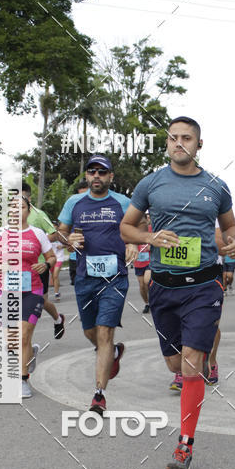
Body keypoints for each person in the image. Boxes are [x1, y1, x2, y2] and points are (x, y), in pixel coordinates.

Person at [120, 115, 235, 469]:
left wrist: (233, 241)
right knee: (176, 365)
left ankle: (184, 444)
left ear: (198, 145)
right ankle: (192, 379)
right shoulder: (150, 184)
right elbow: (126, 227)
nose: (179, 144)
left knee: (191, 364)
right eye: (173, 138)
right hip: (164, 288)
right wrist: (149, 238)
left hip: (204, 286)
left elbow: (230, 226)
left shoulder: (216, 186)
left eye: (186, 138)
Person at [58, 155, 136, 414]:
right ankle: (111, 354)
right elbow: (61, 232)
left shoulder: (123, 202)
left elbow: (139, 226)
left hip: (115, 277)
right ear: (88, 176)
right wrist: (68, 240)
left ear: (110, 177)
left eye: (102, 172)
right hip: (84, 276)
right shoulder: (74, 202)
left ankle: (99, 394)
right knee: (90, 332)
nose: (97, 176)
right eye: (92, 172)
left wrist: (133, 243)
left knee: (104, 332)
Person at [0, 195, 56, 398]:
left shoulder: (37, 233)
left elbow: (51, 257)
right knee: (11, 341)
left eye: (21, 206)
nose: (16, 210)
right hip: (6, 291)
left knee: (24, 335)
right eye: (12, 207)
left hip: (32, 289)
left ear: (28, 211)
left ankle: (23, 380)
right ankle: (31, 352)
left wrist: (45, 265)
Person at [21, 182, 65, 339]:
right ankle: (23, 341)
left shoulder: (38, 215)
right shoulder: (9, 217)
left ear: (29, 198)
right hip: (17, 269)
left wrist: (36, 241)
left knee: (40, 301)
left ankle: (58, 319)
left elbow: (54, 233)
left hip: (38, 265)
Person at [68, 181, 89, 285]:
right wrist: (69, 243)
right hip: (76, 260)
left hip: (97, 261)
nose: (83, 198)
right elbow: (63, 236)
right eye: (80, 195)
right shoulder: (72, 214)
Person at [133, 213, 152, 314]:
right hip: (139, 261)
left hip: (150, 260)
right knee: (141, 285)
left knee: (147, 281)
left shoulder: (151, 229)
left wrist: (151, 246)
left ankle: (154, 300)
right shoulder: (133, 231)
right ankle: (147, 303)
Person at [51, 229, 67, 300]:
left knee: (55, 275)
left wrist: (62, 246)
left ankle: (56, 293)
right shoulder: (47, 235)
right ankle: (57, 291)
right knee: (54, 277)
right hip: (51, 258)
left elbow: (69, 244)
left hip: (59, 258)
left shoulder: (61, 235)